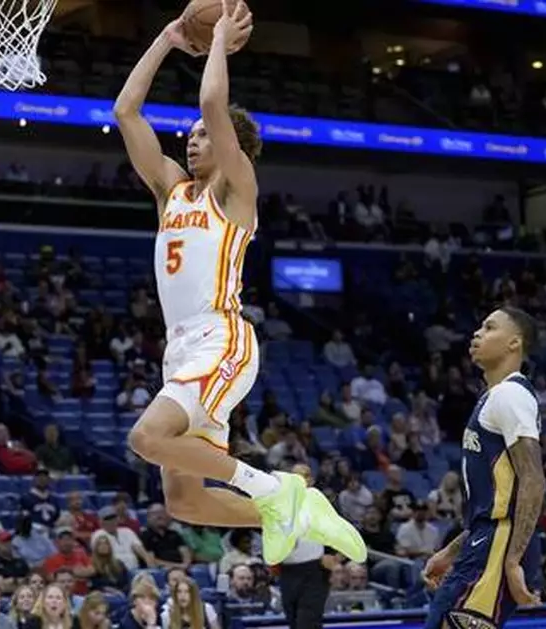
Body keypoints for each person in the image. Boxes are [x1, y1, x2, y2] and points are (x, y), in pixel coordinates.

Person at [113, 0, 363, 565]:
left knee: (145, 438)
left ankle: (278, 491)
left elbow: (210, 101)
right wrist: (169, 38)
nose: (191, 140)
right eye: (190, 136)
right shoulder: (172, 191)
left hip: (220, 339)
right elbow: (127, 112)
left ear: (232, 147)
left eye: (204, 136)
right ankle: (295, 507)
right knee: (184, 502)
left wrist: (220, 36)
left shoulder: (238, 189)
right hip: (180, 350)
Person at [422, 306, 545, 629]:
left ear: (514, 343)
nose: (477, 334)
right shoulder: (493, 396)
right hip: (487, 539)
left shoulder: (510, 394)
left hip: (499, 545)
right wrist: (451, 550)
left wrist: (514, 559)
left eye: (489, 328)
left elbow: (533, 480)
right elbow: (495, 502)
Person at [278, 465, 333, 629]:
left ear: (311, 480)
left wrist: (334, 557)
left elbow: (342, 530)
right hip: (287, 570)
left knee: (307, 622)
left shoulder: (321, 504)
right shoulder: (279, 504)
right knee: (293, 621)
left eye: (304, 476)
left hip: (314, 570)